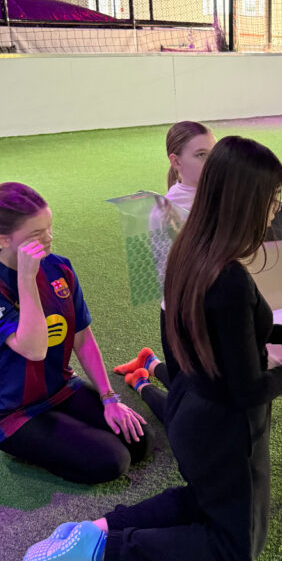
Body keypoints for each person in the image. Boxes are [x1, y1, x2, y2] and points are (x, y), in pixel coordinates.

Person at [9, 136, 282, 561]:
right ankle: (98, 546)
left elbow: (209, 325)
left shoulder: (190, 247)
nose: (277, 209)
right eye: (274, 198)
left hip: (192, 413)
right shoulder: (230, 277)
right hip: (225, 431)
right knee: (235, 551)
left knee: (206, 500)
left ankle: (94, 529)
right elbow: (248, 389)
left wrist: (274, 333)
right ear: (245, 203)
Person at [0, 183, 147, 484]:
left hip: (60, 388)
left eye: (49, 227)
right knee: (113, 461)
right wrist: (26, 278)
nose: (48, 238)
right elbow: (33, 349)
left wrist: (109, 397)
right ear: (2, 240)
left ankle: (63, 433)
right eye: (37, 234)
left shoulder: (60, 267)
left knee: (139, 441)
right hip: (11, 412)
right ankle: (33, 448)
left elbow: (82, 338)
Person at [114, 120, 216, 420]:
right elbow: (171, 278)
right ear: (176, 161)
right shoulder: (165, 210)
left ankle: (151, 363)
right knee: (191, 420)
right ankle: (141, 381)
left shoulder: (220, 195)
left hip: (213, 309)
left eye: (213, 154)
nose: (211, 163)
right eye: (201, 155)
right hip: (183, 318)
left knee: (209, 396)